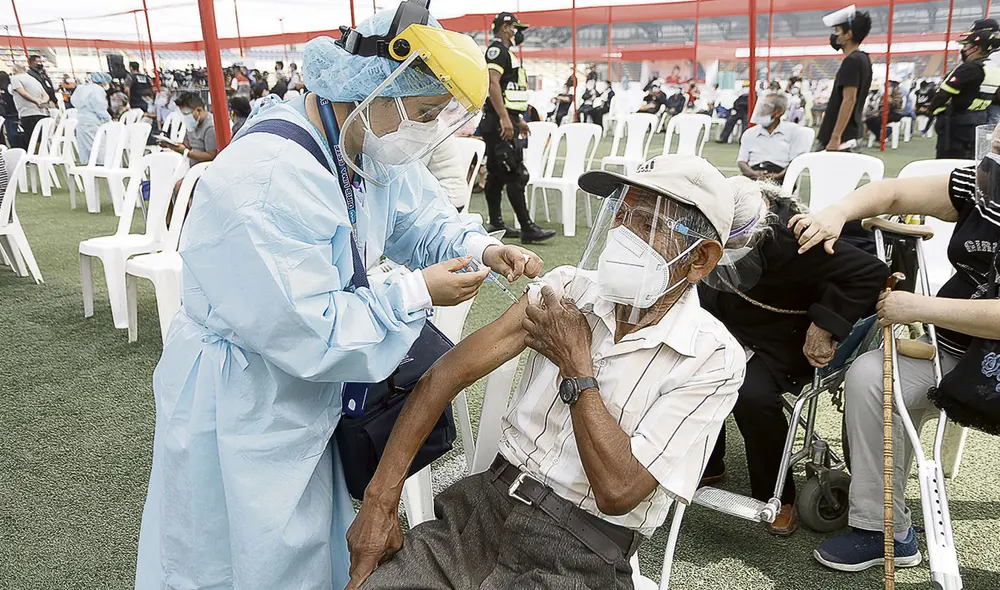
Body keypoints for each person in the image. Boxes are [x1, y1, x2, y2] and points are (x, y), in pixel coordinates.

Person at [134, 6, 548, 588]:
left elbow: (419, 216)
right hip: (244, 398)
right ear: (375, 87)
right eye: (424, 114)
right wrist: (413, 291)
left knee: (301, 545)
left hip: (298, 394)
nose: (426, 131)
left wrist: (481, 247)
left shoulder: (360, 142)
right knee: (231, 555)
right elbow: (313, 330)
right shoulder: (270, 177)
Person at [346, 155, 745, 590]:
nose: (624, 235)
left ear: (700, 258)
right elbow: (445, 375)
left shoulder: (711, 357)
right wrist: (379, 499)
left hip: (580, 551)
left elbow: (618, 491)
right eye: (620, 214)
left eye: (647, 224)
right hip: (480, 511)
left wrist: (576, 364)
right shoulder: (569, 289)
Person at [791, 122, 1000, 572]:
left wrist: (919, 307)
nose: (997, 140)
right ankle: (883, 529)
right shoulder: (982, 182)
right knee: (871, 375)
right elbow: (893, 193)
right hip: (954, 354)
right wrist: (837, 212)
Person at [698, 177, 887, 536]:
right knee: (694, 367)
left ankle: (775, 493)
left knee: (750, 394)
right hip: (727, 321)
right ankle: (709, 461)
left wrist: (824, 325)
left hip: (782, 336)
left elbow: (871, 273)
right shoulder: (709, 218)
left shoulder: (795, 238)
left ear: (758, 229)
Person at [481, 11, 556, 243]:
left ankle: (496, 223)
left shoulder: (506, 52)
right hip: (499, 121)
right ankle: (527, 227)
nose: (518, 33)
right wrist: (505, 118)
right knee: (515, 173)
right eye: (516, 28)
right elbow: (492, 83)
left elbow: (507, 89)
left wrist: (516, 119)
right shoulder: (497, 51)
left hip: (502, 119)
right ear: (505, 27)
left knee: (496, 174)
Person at [929, 19, 1000, 158]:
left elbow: (944, 94)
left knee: (949, 161)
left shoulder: (969, 68)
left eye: (966, 45)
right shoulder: (994, 68)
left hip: (957, 122)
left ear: (975, 48)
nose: (964, 49)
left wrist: (932, 109)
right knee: (972, 159)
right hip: (980, 119)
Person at [817, 6, 873, 151]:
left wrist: (835, 137)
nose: (835, 35)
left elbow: (849, 99)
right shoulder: (864, 59)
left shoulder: (851, 61)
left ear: (848, 34)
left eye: (838, 30)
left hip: (842, 139)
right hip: (851, 133)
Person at [737, 93, 808, 183]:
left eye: (765, 107)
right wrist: (754, 174)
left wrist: (777, 176)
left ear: (778, 112)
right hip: (753, 176)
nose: (761, 110)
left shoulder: (794, 131)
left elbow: (795, 163)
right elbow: (741, 162)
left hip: (781, 177)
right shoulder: (749, 133)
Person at [159, 92, 217, 165]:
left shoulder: (210, 127)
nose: (185, 117)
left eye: (187, 113)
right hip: (191, 164)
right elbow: (187, 145)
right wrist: (171, 145)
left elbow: (211, 155)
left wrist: (186, 153)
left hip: (203, 167)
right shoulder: (193, 123)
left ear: (199, 110)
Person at [71, 72, 112, 164]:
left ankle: (89, 166)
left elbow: (73, 101)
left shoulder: (81, 88)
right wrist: (108, 119)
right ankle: (101, 165)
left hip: (81, 121)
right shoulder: (97, 90)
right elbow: (99, 108)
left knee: (85, 148)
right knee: (98, 146)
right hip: (93, 122)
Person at [9, 63, 50, 146]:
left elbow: (22, 93)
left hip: (28, 113)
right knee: (42, 139)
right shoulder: (34, 79)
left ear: (15, 70)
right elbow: (45, 95)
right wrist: (42, 102)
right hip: (42, 112)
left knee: (32, 140)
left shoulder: (15, 78)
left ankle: (35, 154)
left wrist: (36, 101)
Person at [0, 71, 22, 148]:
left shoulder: (9, 87)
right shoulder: (9, 86)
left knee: (12, 134)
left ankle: (16, 148)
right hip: (11, 114)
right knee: (12, 134)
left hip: (12, 114)